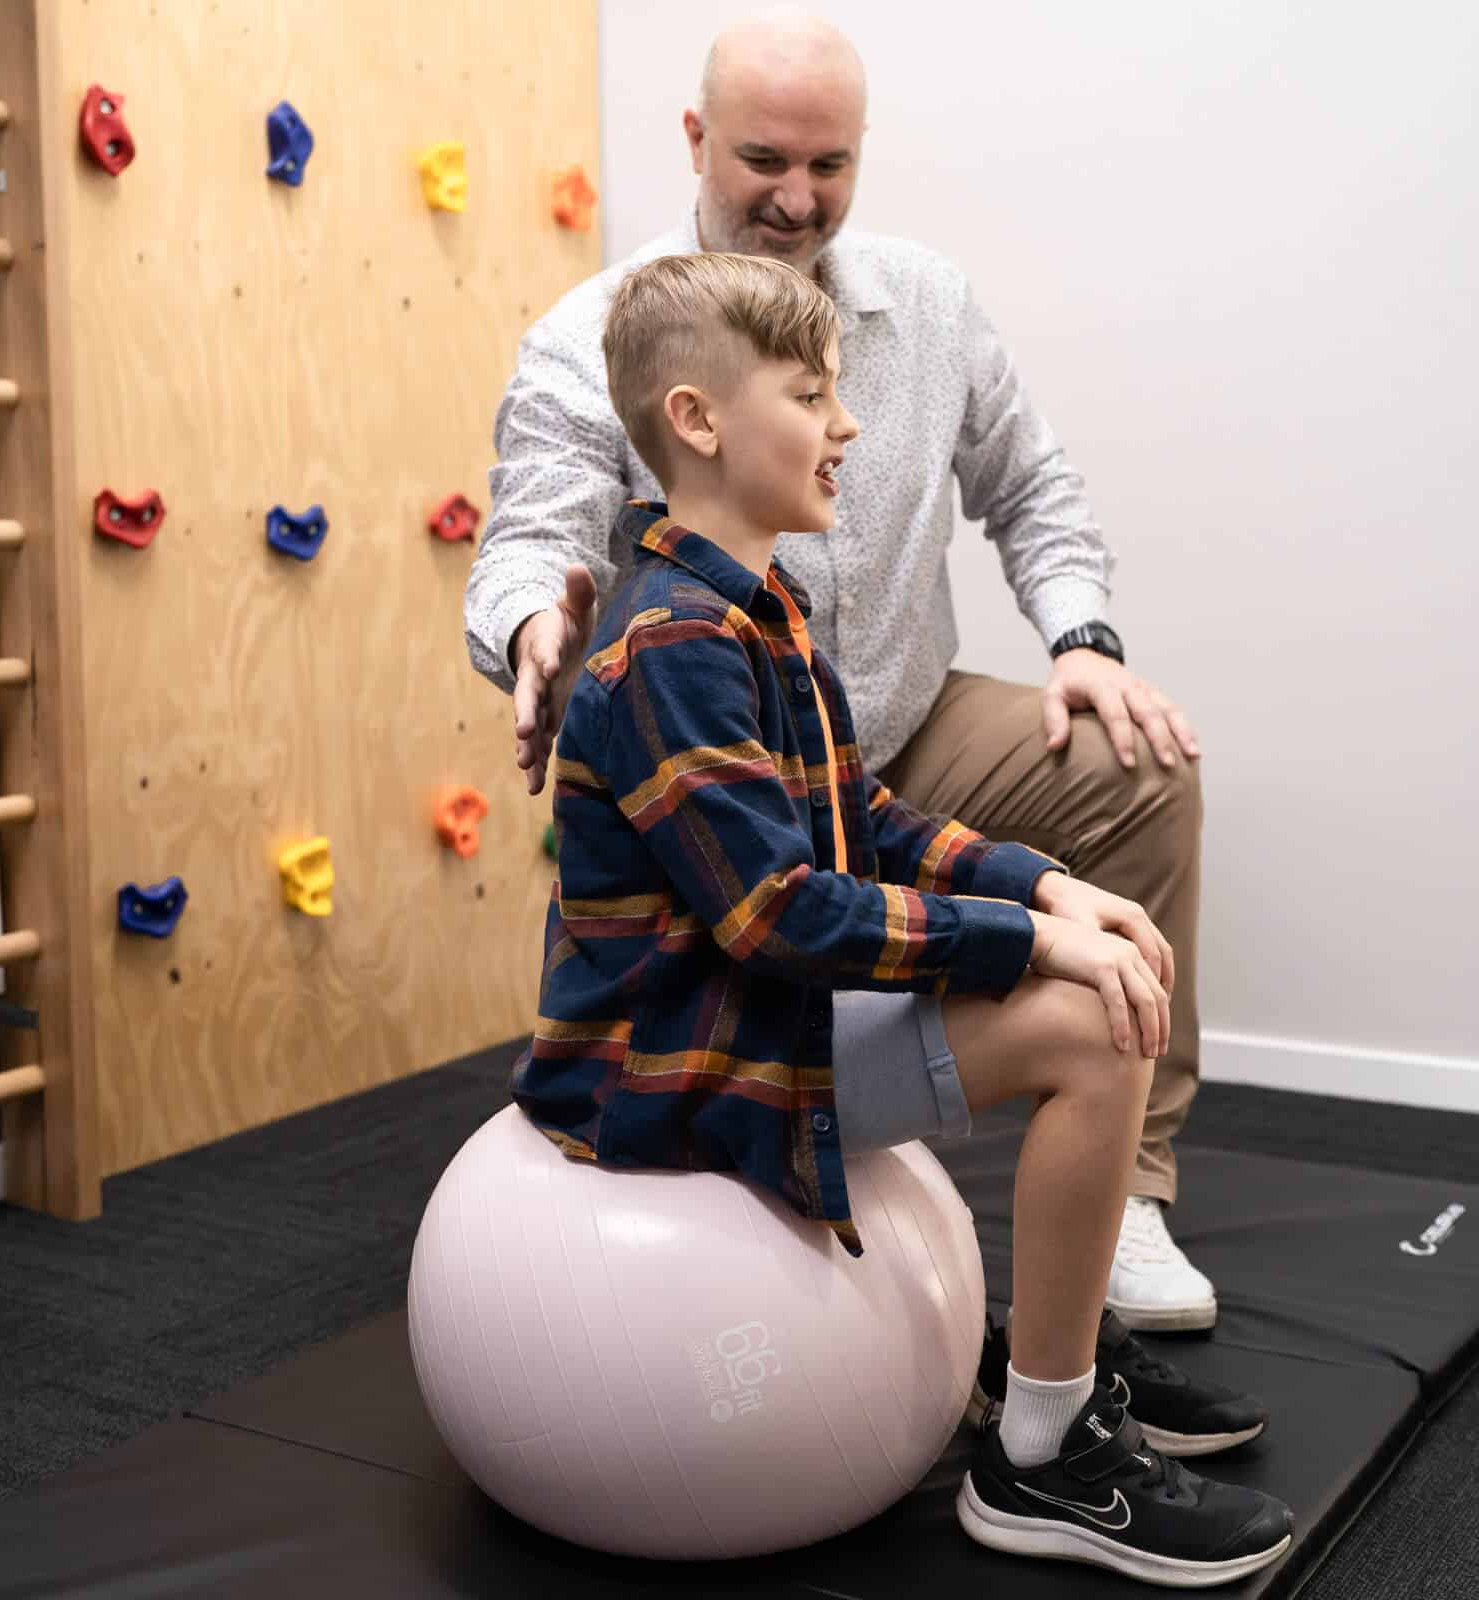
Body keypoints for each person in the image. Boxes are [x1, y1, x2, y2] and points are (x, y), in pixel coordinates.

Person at [511, 250, 1290, 1586]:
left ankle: (1049, 1368)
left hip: (764, 1008)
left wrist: (1049, 886)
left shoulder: (761, 610)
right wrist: (1037, 945)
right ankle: (1046, 1456)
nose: (849, 426)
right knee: (1096, 1028)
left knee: (1082, 966)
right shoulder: (669, 649)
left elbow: (862, 818)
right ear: (698, 422)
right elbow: (779, 916)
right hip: (682, 1066)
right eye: (813, 395)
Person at [465, 8, 1213, 1330]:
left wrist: (1081, 643)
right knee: (784, 923)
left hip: (885, 732)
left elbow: (1028, 483)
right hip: (738, 778)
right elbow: (531, 534)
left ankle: (1127, 1191)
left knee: (1134, 772)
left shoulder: (923, 305)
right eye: (764, 161)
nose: (799, 199)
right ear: (695, 140)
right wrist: (537, 633)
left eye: (832, 166)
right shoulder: (605, 342)